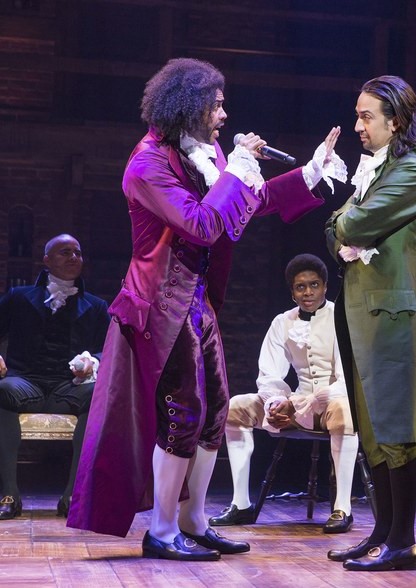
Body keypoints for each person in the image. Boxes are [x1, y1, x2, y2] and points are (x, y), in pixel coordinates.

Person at [66, 57, 346, 562]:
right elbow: (201, 224)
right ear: (190, 107)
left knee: (215, 410)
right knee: (184, 412)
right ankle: (161, 529)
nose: (224, 114)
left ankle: (194, 520)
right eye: (216, 105)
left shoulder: (203, 152)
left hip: (197, 302)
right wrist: (236, 168)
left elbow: (246, 202)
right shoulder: (147, 165)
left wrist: (309, 173)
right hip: (160, 305)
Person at [324, 75, 416, 572]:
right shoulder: (376, 171)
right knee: (372, 430)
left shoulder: (411, 171)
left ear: (395, 122)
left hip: (394, 317)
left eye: (366, 116)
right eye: (357, 115)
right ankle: (383, 532)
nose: (358, 125)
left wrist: (347, 221)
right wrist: (345, 226)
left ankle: (403, 541)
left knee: (398, 426)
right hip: (361, 314)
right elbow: (332, 232)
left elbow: (349, 224)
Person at [209, 253, 358, 533]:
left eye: (314, 285)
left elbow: (346, 379)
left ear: (325, 287)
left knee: (344, 410)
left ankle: (342, 508)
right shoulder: (282, 322)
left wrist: (303, 405)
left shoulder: (341, 317)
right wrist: (277, 403)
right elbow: (269, 373)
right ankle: (241, 504)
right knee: (236, 407)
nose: (308, 292)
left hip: (332, 400)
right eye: (300, 287)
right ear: (292, 292)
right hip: (296, 402)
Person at [0, 234, 110, 520]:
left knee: (99, 395)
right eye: (65, 252)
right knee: (2, 390)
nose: (74, 257)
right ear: (46, 260)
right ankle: (9, 494)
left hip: (69, 387)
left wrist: (93, 361)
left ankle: (73, 495)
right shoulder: (19, 297)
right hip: (25, 383)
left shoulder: (97, 306)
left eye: (77, 252)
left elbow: (111, 349)